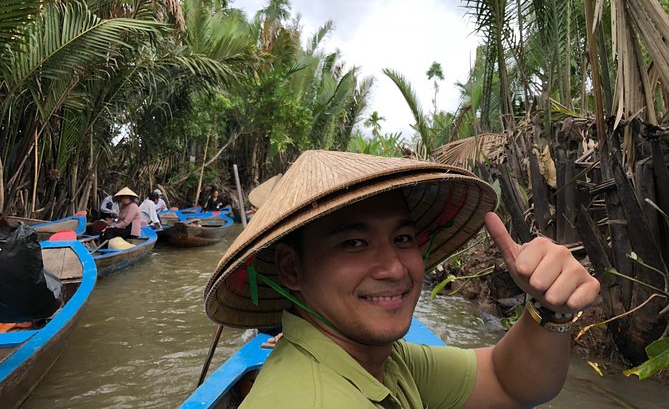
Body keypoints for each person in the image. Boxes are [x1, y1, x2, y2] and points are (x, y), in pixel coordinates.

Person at [204, 150, 600, 408]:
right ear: (291, 269)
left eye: (402, 238)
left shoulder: (381, 358)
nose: (394, 268)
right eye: (354, 242)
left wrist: (550, 310)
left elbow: (507, 381)